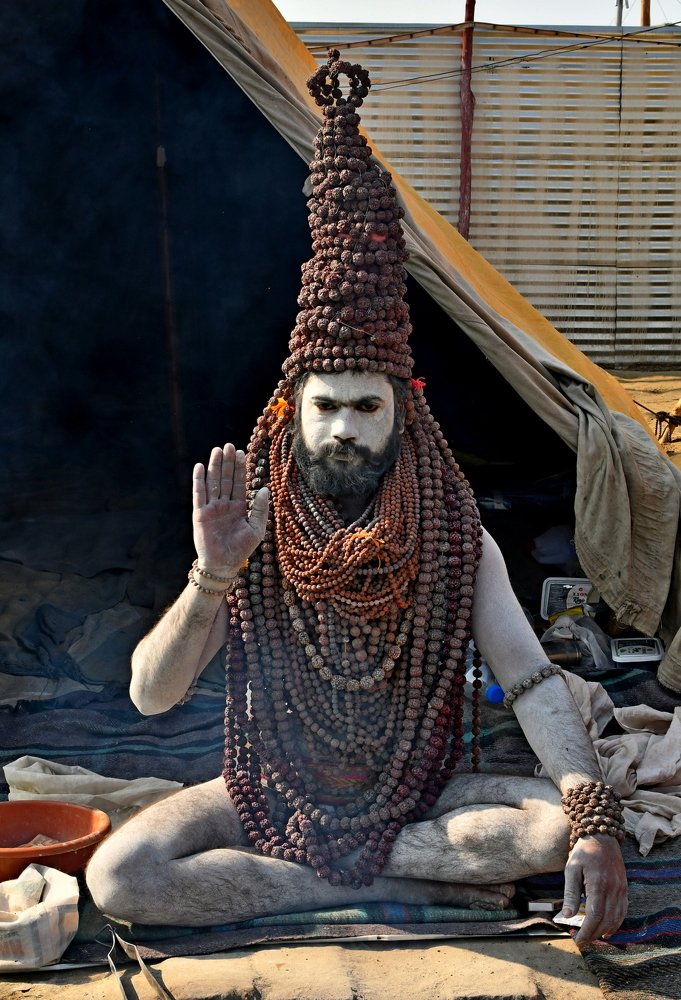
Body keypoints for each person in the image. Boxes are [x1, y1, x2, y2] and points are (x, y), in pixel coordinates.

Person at [85, 51, 628, 947]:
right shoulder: (253, 530)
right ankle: (389, 887)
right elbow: (150, 698)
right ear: (290, 412)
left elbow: (530, 680)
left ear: (402, 414)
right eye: (324, 407)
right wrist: (212, 577)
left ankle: (324, 881)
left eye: (365, 408)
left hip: (415, 792)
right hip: (267, 790)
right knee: (119, 873)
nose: (342, 428)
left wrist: (596, 818)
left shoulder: (456, 538)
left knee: (551, 826)